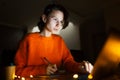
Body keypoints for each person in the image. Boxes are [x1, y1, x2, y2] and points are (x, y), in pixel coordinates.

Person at [14, 4, 93, 77]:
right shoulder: (29, 39)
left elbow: (68, 63)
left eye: (61, 21)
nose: (58, 25)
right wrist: (42, 70)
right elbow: (17, 71)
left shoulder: (59, 40)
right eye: (55, 19)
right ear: (44, 18)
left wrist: (79, 67)